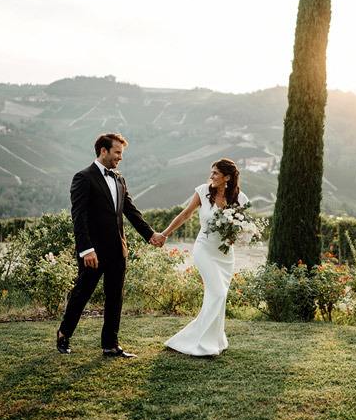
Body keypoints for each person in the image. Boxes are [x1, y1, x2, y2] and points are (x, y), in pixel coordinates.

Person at [57, 133, 165, 357]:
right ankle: (63, 334)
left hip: (118, 250)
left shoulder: (119, 179)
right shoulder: (83, 177)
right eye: (117, 152)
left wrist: (150, 235)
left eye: (121, 153)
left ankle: (110, 344)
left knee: (115, 297)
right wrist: (86, 249)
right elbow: (79, 217)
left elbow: (130, 211)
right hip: (93, 252)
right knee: (82, 294)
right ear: (103, 151)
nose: (120, 158)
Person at [161, 158, 248, 356]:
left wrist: (235, 236)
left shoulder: (239, 197)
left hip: (225, 255)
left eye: (216, 173)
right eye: (212, 172)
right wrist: (165, 233)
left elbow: (241, 227)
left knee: (219, 295)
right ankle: (201, 342)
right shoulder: (202, 191)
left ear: (227, 177)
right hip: (204, 249)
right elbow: (185, 214)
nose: (211, 176)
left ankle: (214, 340)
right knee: (217, 293)